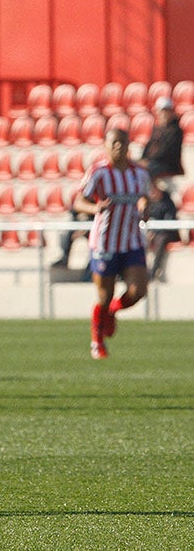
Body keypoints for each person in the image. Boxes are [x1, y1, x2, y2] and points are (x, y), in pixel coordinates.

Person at [73, 128, 150, 360]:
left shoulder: (139, 173)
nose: (119, 146)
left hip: (131, 239)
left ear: (129, 145)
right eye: (114, 142)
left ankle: (112, 312)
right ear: (106, 145)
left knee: (138, 291)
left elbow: (143, 196)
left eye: (123, 142)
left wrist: (144, 206)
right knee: (104, 297)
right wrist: (94, 208)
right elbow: (78, 201)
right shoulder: (98, 173)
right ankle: (97, 341)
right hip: (105, 242)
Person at [139, 96, 184, 182]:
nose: (163, 114)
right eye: (161, 111)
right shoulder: (157, 128)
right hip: (155, 162)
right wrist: (143, 158)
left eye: (166, 111)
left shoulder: (176, 131)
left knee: (148, 170)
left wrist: (149, 161)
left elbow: (166, 151)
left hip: (167, 164)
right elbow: (149, 145)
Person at [144, 178, 181, 283]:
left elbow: (169, 221)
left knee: (160, 239)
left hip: (168, 234)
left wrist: (154, 231)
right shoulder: (150, 204)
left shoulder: (167, 203)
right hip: (155, 233)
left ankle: (153, 271)